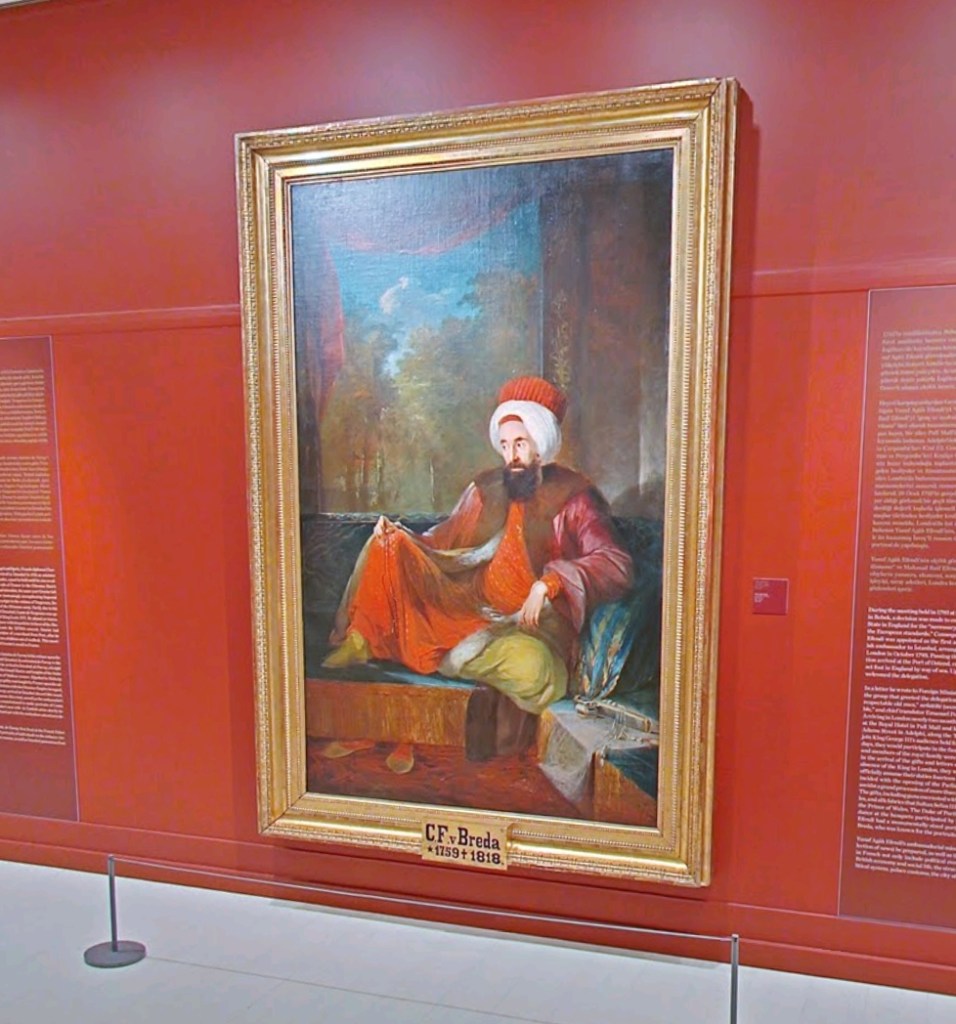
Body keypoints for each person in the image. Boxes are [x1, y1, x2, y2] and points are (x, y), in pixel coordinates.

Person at [321, 375, 634, 771]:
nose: (511, 456)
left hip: (527, 626)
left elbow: (615, 564)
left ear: (541, 445)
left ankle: (420, 650)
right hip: (466, 606)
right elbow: (444, 541)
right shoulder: (486, 488)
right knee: (388, 544)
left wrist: (549, 583)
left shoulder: (575, 497)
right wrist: (402, 537)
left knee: (536, 668)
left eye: (520, 443)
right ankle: (362, 639)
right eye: (505, 445)